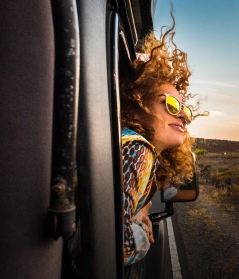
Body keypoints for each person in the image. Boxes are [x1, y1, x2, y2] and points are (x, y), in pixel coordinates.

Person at [68, 23, 198, 272]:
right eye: (171, 104)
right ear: (139, 103)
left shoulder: (128, 147)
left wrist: (142, 209)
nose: (184, 116)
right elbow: (111, 246)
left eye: (185, 109)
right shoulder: (138, 150)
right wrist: (140, 231)